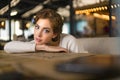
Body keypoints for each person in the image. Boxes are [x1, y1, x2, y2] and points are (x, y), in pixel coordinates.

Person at [4, 9, 87, 53]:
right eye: (37, 27)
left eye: (46, 30)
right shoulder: (38, 43)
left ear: (55, 34)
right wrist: (43, 47)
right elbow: (7, 47)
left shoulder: (70, 41)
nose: (38, 34)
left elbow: (83, 64)